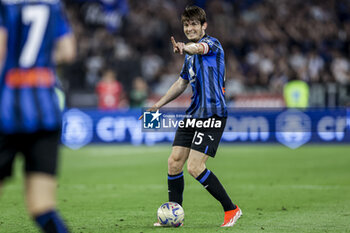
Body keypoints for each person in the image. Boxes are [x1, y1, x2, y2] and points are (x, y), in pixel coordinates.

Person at [141, 6, 242, 227]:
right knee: (174, 162)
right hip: (193, 115)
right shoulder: (188, 59)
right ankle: (173, 215)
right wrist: (158, 104)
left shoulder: (213, 45)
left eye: (194, 24)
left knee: (195, 167)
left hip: (213, 114)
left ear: (204, 25)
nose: (190, 28)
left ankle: (231, 209)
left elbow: (199, 48)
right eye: (186, 25)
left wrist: (185, 47)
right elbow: (181, 83)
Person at [0, 1, 76, 232]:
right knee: (42, 206)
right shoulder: (53, 6)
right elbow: (68, 52)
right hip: (46, 114)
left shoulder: (5, 6)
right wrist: (39, 62)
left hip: (6, 114)